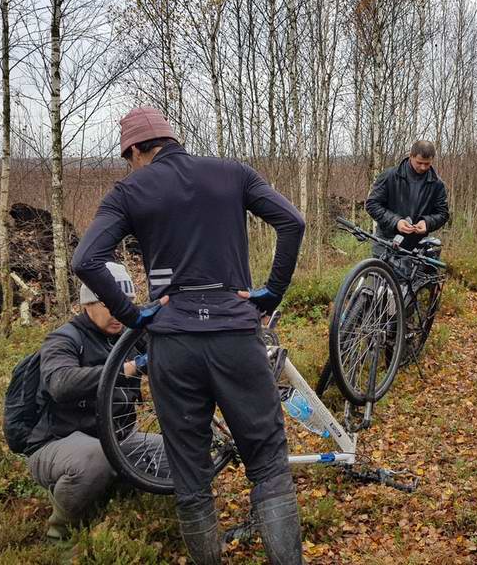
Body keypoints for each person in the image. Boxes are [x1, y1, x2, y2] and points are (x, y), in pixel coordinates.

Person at [71, 106, 306, 565]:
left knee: (192, 479)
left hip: (173, 343)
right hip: (237, 335)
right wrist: (271, 292)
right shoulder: (231, 173)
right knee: (269, 466)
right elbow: (292, 222)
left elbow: (86, 260)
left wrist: (134, 314)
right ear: (172, 139)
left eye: (129, 157)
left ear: (136, 150)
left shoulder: (130, 189)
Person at [26, 261, 165, 541]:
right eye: (109, 303)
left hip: (120, 439)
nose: (118, 312)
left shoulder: (129, 335)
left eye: (124, 304)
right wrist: (125, 368)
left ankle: (114, 500)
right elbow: (60, 384)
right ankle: (60, 531)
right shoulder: (64, 339)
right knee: (95, 458)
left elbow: (167, 354)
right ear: (88, 304)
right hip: (57, 444)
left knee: (178, 449)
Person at [365, 140, 450, 257]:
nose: (423, 167)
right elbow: (372, 204)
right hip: (386, 244)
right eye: (419, 162)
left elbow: (443, 214)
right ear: (411, 156)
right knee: (379, 275)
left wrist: (427, 222)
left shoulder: (437, 184)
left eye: (427, 164)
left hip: (416, 249)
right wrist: (396, 222)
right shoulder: (390, 176)